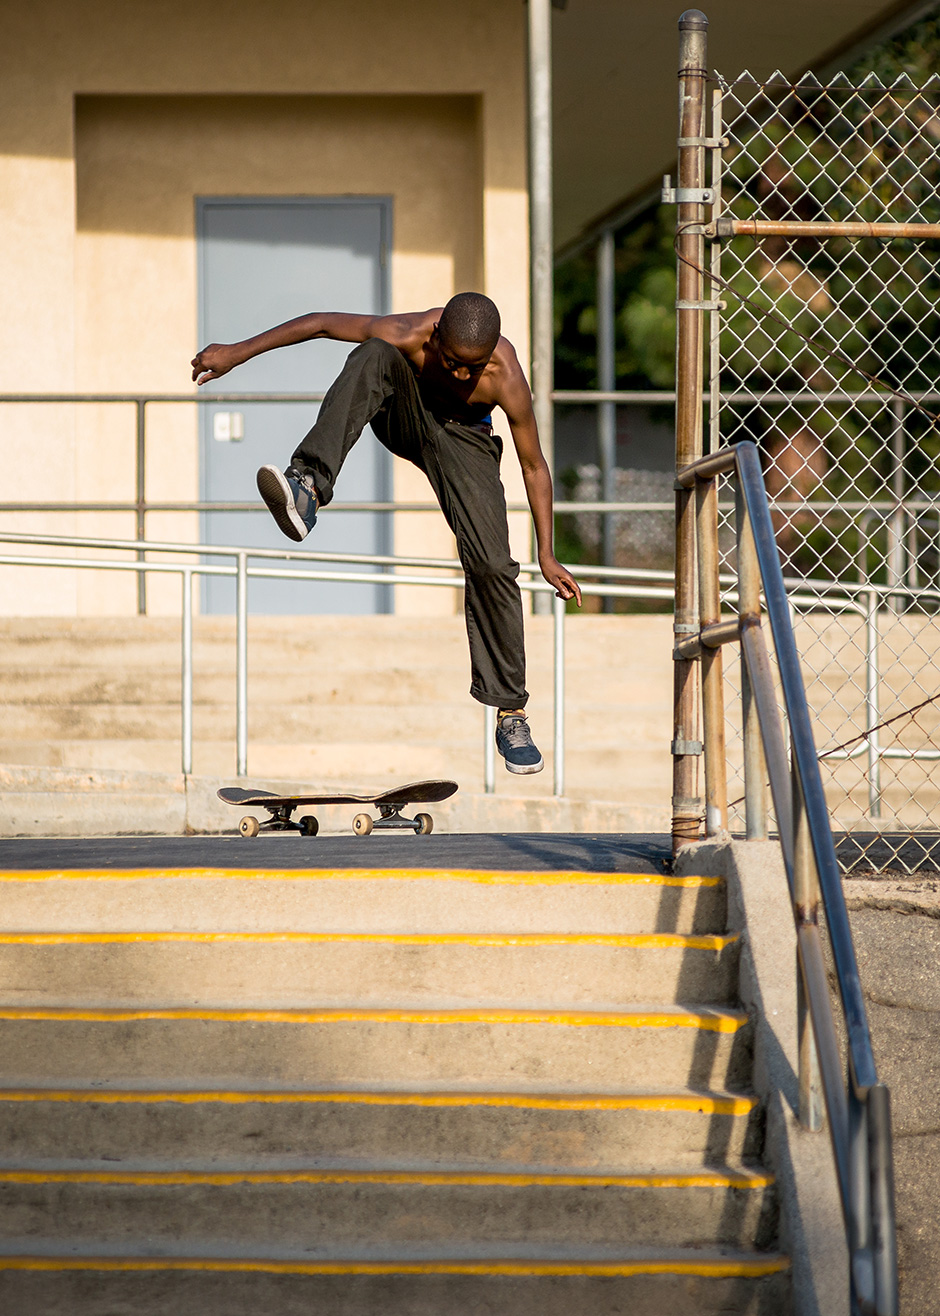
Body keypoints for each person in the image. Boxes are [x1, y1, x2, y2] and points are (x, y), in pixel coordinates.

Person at [191, 291, 581, 775]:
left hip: (466, 443)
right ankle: (308, 484)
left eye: (473, 368)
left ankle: (511, 712)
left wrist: (547, 552)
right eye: (455, 363)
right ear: (436, 338)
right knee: (373, 354)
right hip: (405, 417)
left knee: (493, 565)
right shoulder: (411, 333)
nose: (463, 375)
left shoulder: (505, 376)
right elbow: (319, 323)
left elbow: (533, 465)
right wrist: (237, 352)